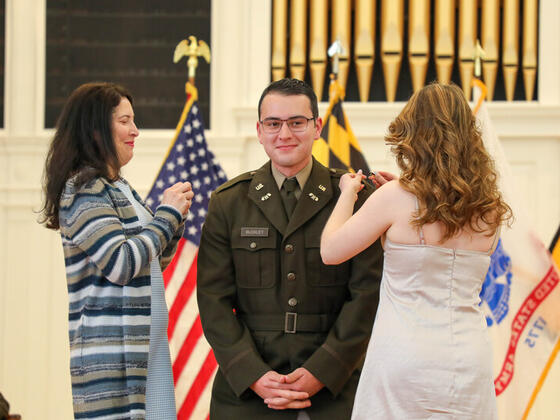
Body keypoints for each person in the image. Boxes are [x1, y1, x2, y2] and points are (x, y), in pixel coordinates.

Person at [321, 82, 513, 419]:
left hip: (404, 355)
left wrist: (348, 194)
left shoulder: (395, 197)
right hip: (469, 356)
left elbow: (331, 250)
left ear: (413, 134)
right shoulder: (490, 208)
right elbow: (442, 225)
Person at [196, 78, 384, 419]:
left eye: (297, 123)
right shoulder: (229, 202)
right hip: (249, 392)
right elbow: (213, 300)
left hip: (334, 390)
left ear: (317, 127)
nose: (284, 134)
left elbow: (367, 295)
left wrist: (323, 371)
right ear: (259, 130)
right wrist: (252, 374)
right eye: (273, 124)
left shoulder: (354, 199)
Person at [40, 82, 193, 419]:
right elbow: (122, 264)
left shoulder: (119, 187)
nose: (135, 131)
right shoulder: (83, 190)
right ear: (95, 129)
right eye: (125, 121)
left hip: (145, 350)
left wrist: (175, 221)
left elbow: (149, 265)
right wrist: (165, 214)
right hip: (113, 358)